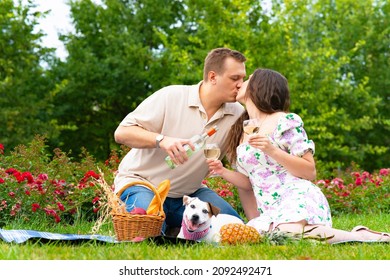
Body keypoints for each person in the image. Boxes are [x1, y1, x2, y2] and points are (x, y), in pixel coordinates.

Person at [207, 68, 390, 244]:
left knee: (287, 233)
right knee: (276, 237)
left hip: (296, 195)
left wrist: (272, 150)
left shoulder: (284, 121)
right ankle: (355, 235)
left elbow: (309, 171)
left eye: (248, 80)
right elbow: (249, 182)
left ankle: (363, 236)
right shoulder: (242, 131)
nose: (240, 84)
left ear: (260, 87)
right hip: (270, 207)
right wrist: (222, 171)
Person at [113, 47, 247, 235]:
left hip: (190, 195)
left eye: (243, 79)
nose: (241, 85)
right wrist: (162, 140)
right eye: (235, 79)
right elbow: (122, 133)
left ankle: (176, 228)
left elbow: (245, 166)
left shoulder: (238, 113)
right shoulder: (172, 96)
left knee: (233, 229)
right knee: (147, 232)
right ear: (213, 77)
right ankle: (172, 228)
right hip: (143, 184)